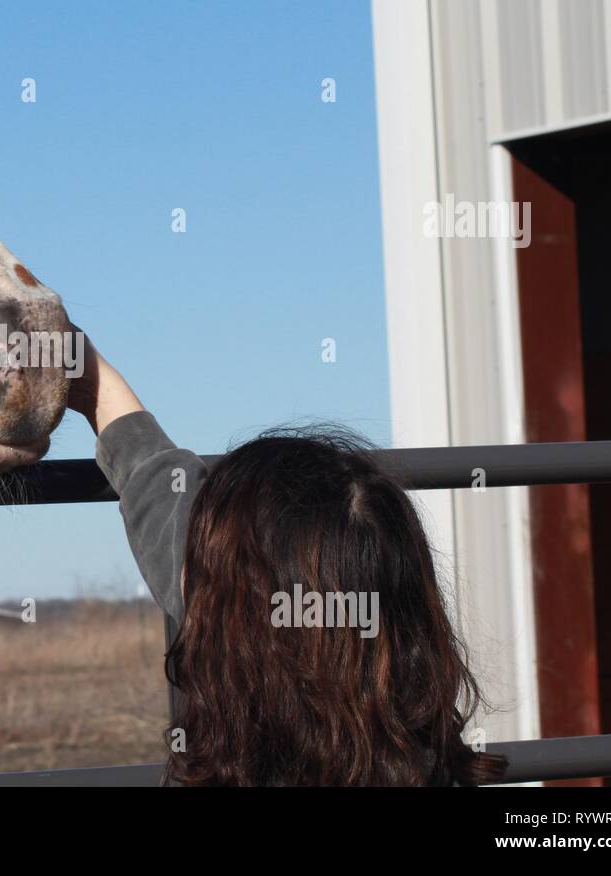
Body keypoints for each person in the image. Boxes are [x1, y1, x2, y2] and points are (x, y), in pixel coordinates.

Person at [67, 333, 507, 786]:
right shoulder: (421, 757)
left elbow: (190, 545)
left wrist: (84, 374)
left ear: (224, 614)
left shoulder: (224, 631)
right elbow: (166, 498)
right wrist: (93, 383)